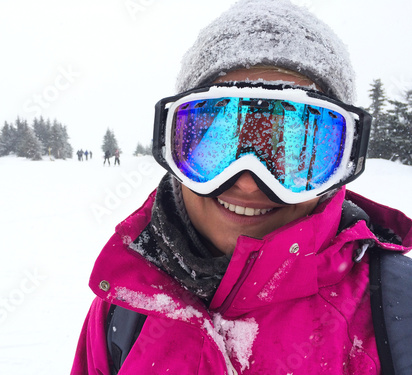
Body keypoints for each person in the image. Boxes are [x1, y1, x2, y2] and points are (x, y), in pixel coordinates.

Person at [71, 1, 412, 374]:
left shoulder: (398, 313)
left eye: (293, 152)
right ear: (176, 147)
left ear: (340, 164)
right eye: (216, 143)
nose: (249, 183)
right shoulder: (128, 304)